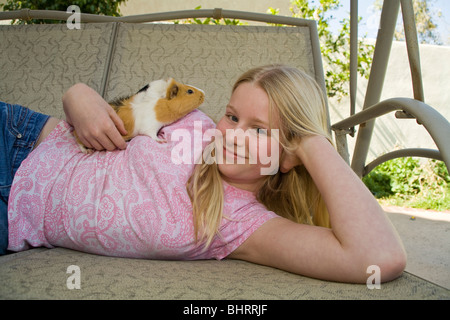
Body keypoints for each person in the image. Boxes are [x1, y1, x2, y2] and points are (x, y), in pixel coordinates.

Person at [0, 65, 406, 284]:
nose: (230, 133)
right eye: (232, 115)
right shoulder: (191, 123)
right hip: (22, 138)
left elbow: (377, 259)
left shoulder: (245, 225)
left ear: (290, 154)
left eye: (260, 128)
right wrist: (77, 95)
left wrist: (312, 144)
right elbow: (111, 111)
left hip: (13, 215)